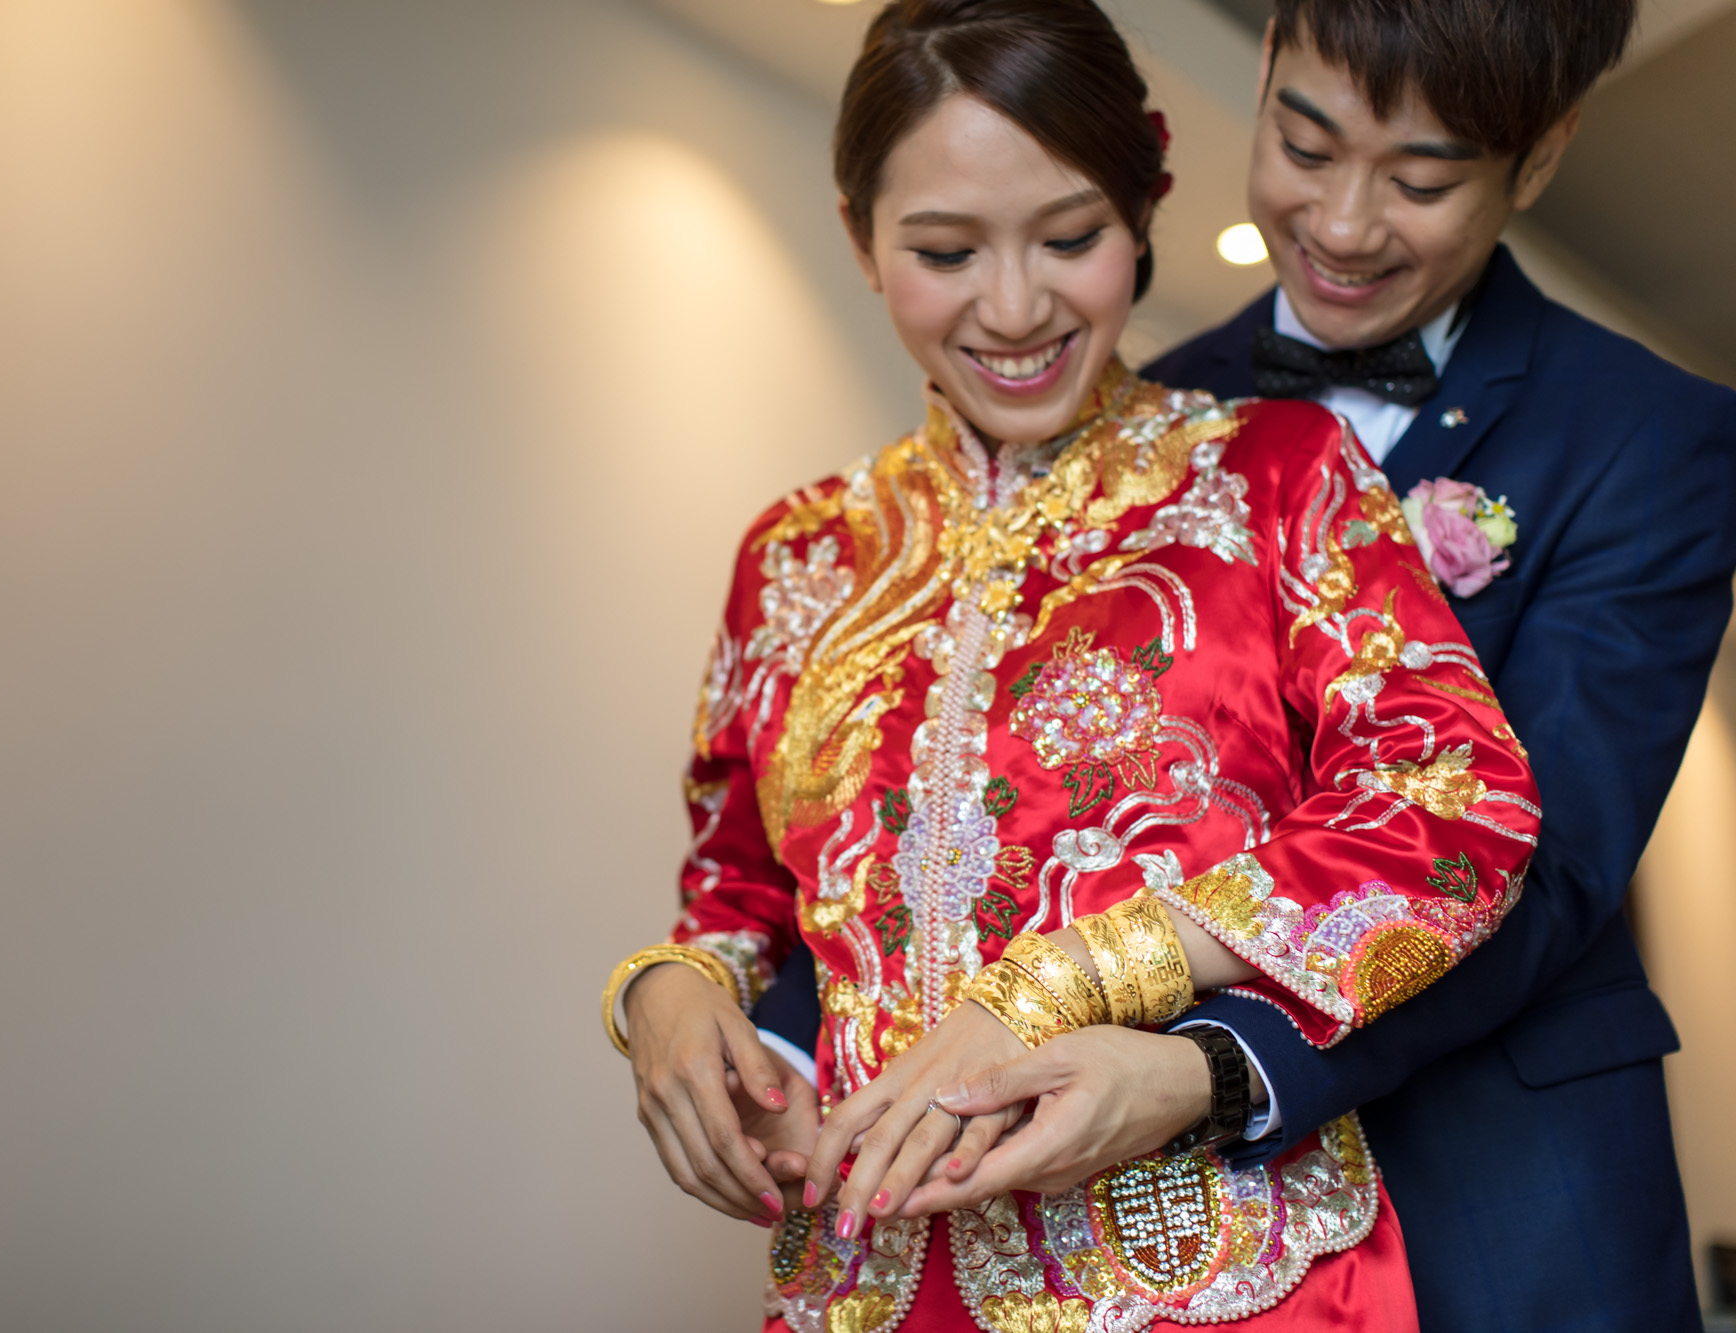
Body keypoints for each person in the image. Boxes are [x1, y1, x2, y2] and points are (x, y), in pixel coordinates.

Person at [758, 1, 1736, 1328]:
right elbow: (974, 821)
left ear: (1543, 155)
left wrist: (1215, 1069)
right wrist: (732, 1008)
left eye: (1421, 179)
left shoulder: (1650, 435)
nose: (1342, 222)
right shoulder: (1136, 405)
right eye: (1306, 145)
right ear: (1267, 67)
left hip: (1501, 1188)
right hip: (1179, 1228)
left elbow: (1543, 872)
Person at [600, 2, 1541, 1328]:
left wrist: (1078, 976)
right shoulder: (798, 553)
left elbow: (1456, 803)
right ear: (860, 238)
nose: (1014, 306)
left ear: (1144, 213)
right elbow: (741, 893)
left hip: (1220, 1273)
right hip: (869, 1271)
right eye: (945, 249)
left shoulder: (1273, 476)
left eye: (1070, 236)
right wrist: (673, 991)